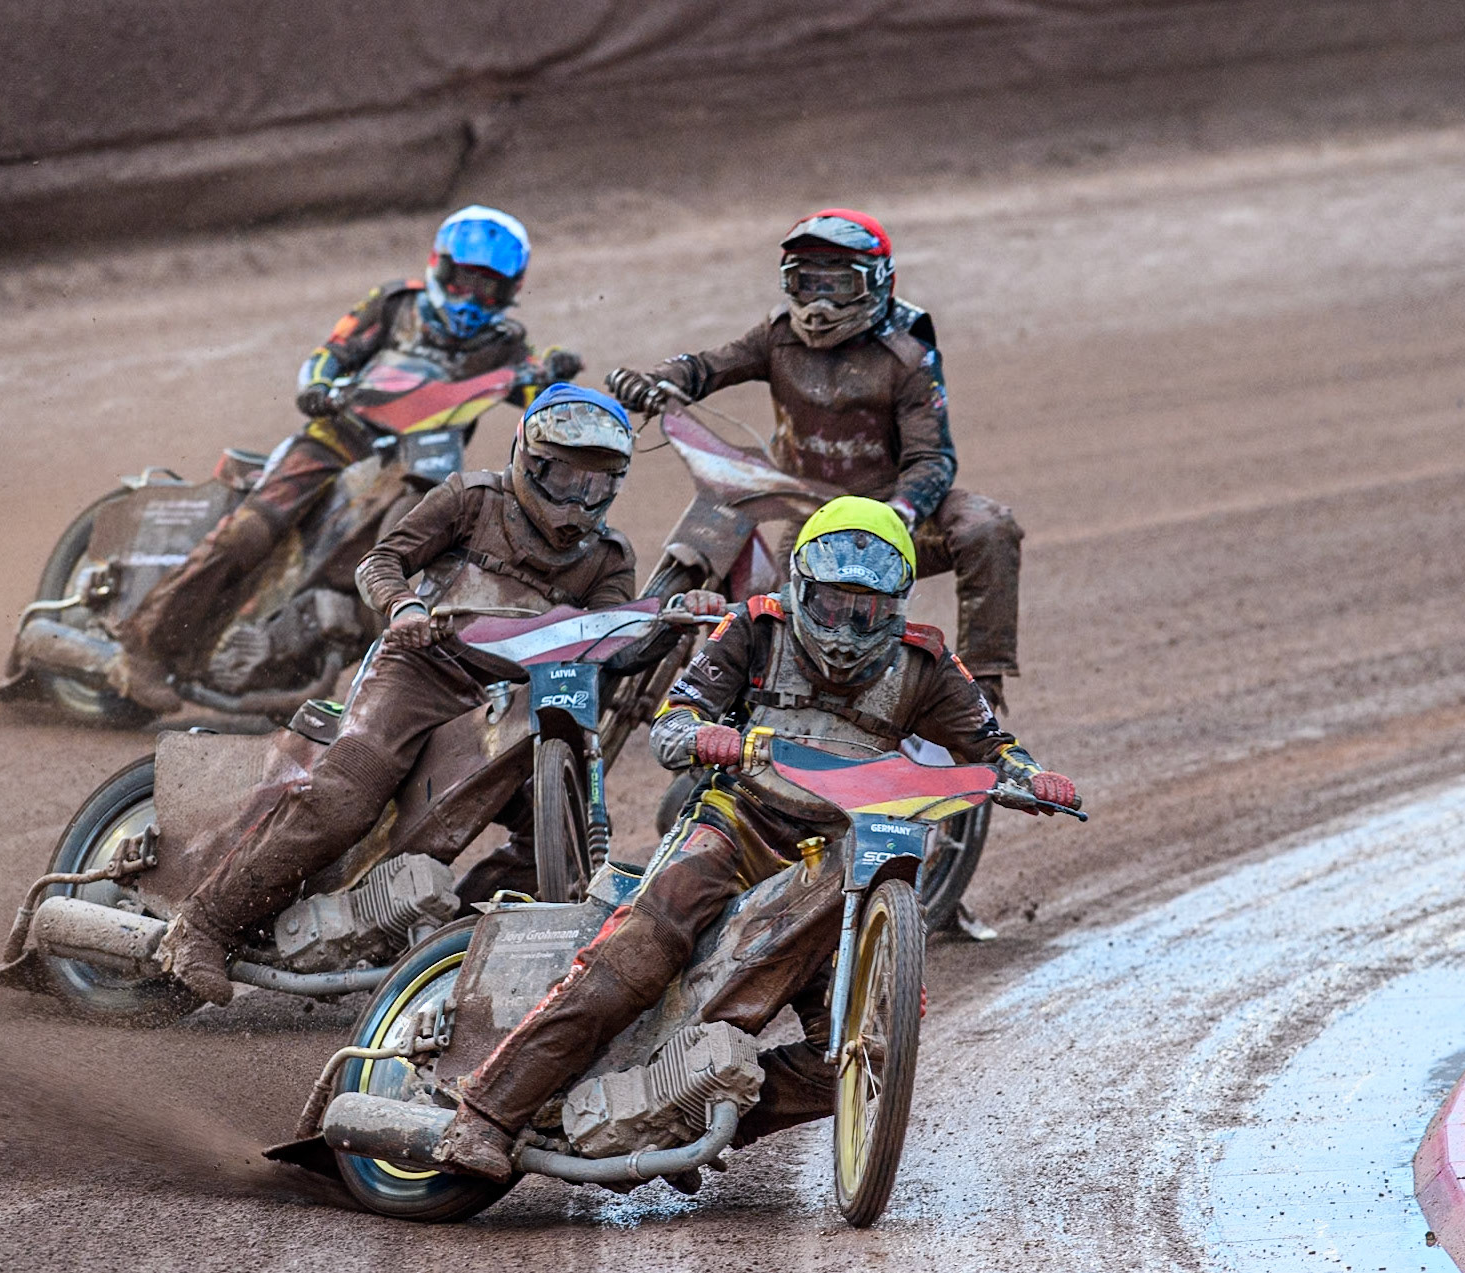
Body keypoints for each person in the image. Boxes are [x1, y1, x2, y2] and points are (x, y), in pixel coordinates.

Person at [429, 496, 1077, 1180]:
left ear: (897, 606)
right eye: (830, 605)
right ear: (800, 587)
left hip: (842, 863)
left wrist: (1029, 778)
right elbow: (674, 722)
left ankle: (682, 1108)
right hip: (734, 829)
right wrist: (705, 736)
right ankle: (486, 1114)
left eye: (867, 611)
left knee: (860, 1056)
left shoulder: (926, 663)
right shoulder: (755, 628)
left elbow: (994, 745)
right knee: (634, 956)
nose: (845, 629)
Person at [155, 384, 669, 1006]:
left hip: (506, 704)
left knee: (554, 840)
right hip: (419, 670)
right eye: (562, 478)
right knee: (345, 797)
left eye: (594, 486)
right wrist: (404, 605)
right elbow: (380, 561)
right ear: (527, 459)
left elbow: (607, 644)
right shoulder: (470, 499)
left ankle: (438, 956)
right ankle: (203, 926)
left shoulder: (609, 557)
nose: (575, 501)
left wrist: (668, 623)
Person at [112, 205, 583, 710]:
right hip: (338, 437)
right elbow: (330, 353)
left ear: (510, 291)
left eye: (488, 286)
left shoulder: (504, 344)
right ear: (440, 266)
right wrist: (316, 385)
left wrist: (553, 368)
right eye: (465, 279)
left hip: (418, 468)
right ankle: (142, 648)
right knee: (250, 531)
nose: (472, 297)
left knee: (415, 553)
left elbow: (535, 390)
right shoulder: (396, 302)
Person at [605, 208, 1024, 713]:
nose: (820, 303)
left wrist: (900, 512)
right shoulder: (777, 337)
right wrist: (661, 379)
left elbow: (931, 458)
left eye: (838, 284)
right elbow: (710, 365)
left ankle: (981, 684)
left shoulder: (909, 356)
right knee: (786, 626)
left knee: (987, 526)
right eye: (805, 283)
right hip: (808, 516)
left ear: (877, 283)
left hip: (891, 512)